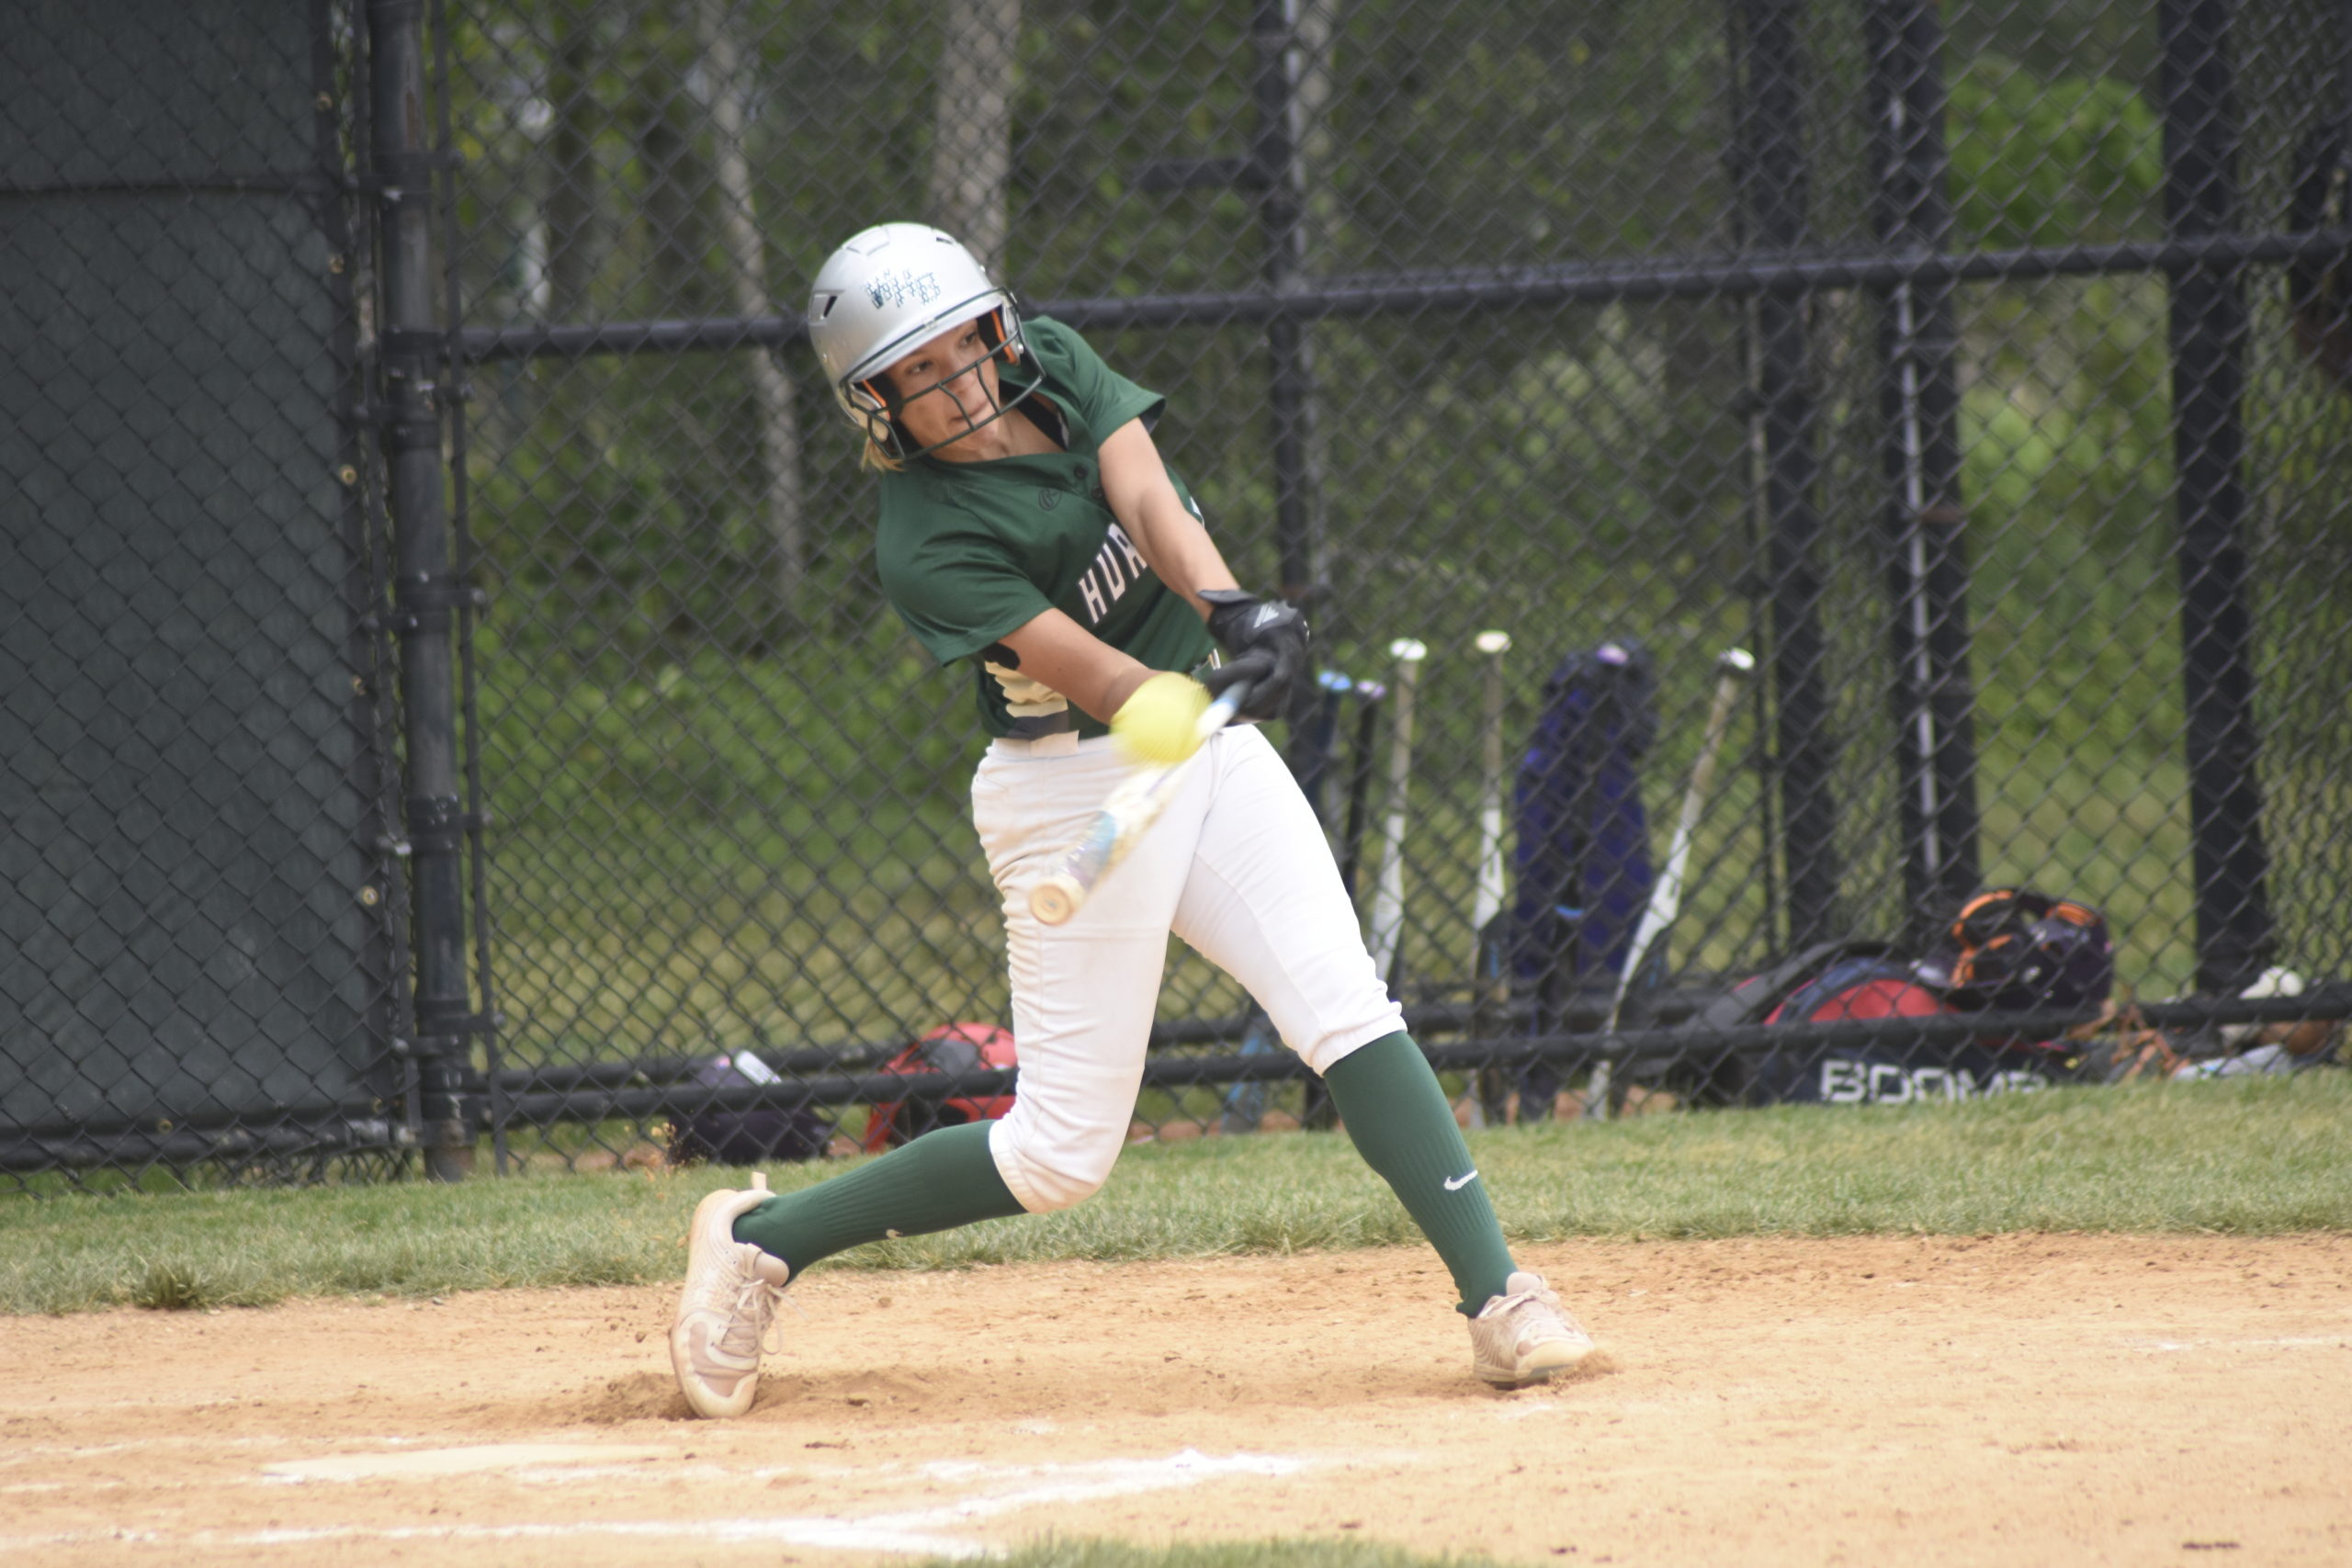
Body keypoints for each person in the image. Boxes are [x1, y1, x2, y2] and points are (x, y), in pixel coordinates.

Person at [667, 222, 1600, 1417]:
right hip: (1073, 789)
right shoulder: (928, 541)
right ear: (877, 401)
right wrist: (1184, 695)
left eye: (962, 349)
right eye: (916, 371)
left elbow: (1145, 489)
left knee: (1344, 1005)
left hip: (1206, 753)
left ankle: (1502, 1298)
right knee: (1059, 1155)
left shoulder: (1048, 362)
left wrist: (1228, 609)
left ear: (997, 332)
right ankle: (763, 1239)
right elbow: (1102, 682)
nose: (954, 385)